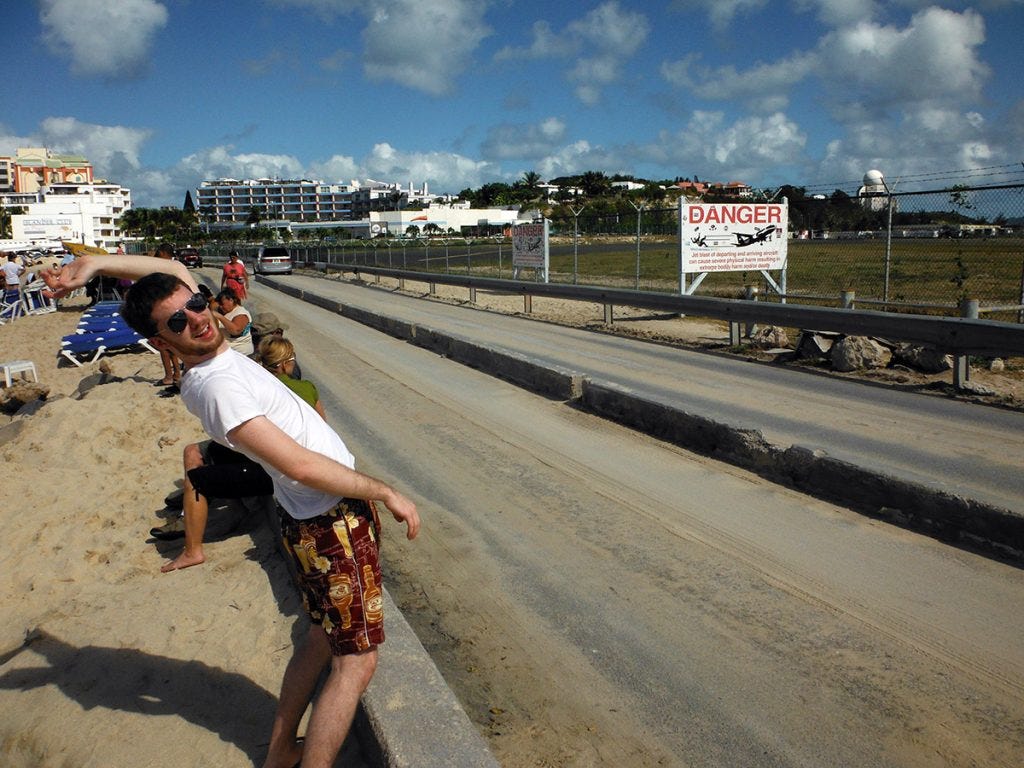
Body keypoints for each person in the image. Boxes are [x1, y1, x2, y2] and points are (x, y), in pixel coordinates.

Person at [43, 253, 419, 768]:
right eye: (179, 321)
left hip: (309, 519)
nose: (197, 317)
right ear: (162, 344)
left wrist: (92, 265)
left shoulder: (212, 349)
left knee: (319, 637)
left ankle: (283, 749)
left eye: (196, 303)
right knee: (357, 662)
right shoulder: (217, 386)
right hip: (330, 521)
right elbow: (301, 466)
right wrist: (384, 491)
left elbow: (171, 267)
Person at [258, 336, 326, 420]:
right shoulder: (307, 387)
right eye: (293, 357)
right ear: (284, 364)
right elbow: (322, 423)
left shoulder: (256, 385)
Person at [154, 242, 182, 387]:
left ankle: (169, 376)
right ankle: (175, 374)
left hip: (166, 308)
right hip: (173, 308)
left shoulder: (165, 269)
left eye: (159, 252)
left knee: (164, 345)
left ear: (164, 253)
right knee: (170, 345)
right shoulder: (175, 267)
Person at [211, 288, 254, 355]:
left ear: (231, 300)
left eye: (222, 304)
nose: (220, 306)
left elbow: (236, 330)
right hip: (227, 350)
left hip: (240, 353)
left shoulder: (241, 314)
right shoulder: (226, 311)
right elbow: (213, 304)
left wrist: (219, 316)